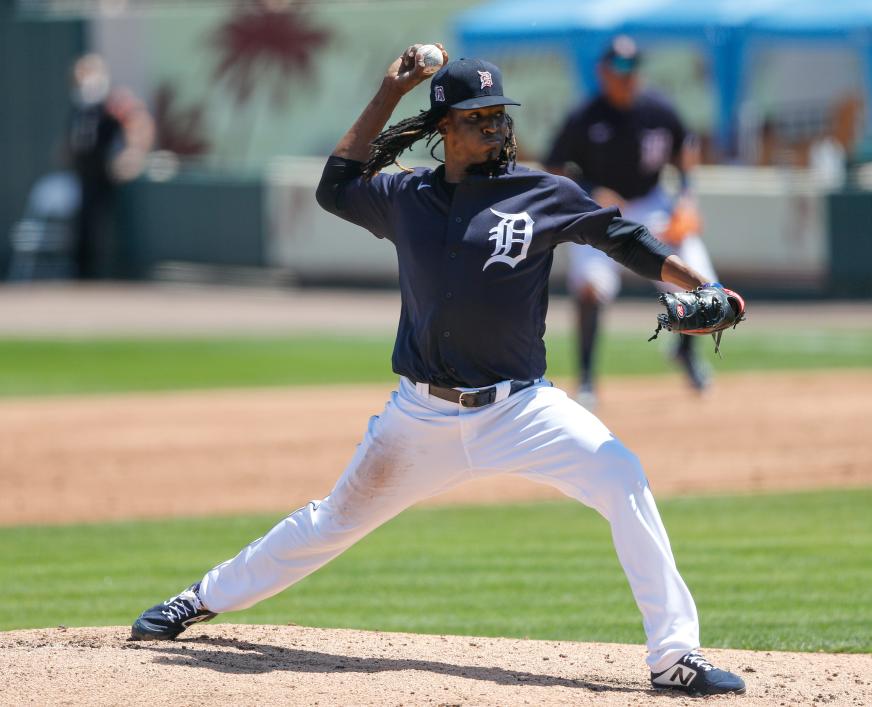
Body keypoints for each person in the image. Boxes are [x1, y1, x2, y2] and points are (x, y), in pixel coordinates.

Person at [130, 44, 746, 698]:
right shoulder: (406, 197)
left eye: (499, 115)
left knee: (622, 474)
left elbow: (625, 238)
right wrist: (388, 92)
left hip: (522, 409)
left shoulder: (542, 192)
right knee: (330, 521)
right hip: (419, 416)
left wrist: (706, 282)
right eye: (478, 116)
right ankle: (200, 597)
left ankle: (673, 656)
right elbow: (333, 186)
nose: (495, 127)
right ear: (445, 127)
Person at [544, 36, 718, 406]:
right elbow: (554, 167)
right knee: (590, 289)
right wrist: (593, 190)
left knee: (699, 283)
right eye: (619, 68)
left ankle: (686, 352)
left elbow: (686, 147)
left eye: (633, 67)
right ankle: (588, 377)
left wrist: (686, 197)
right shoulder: (586, 116)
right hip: (601, 211)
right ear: (602, 72)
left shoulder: (657, 108)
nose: (628, 75)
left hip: (653, 203)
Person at [66, 54, 154, 279]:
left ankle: (117, 275)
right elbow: (74, 142)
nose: (85, 83)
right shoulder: (80, 108)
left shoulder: (113, 102)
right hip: (85, 175)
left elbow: (138, 123)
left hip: (111, 175)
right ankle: (84, 275)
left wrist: (132, 152)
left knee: (110, 227)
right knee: (85, 225)